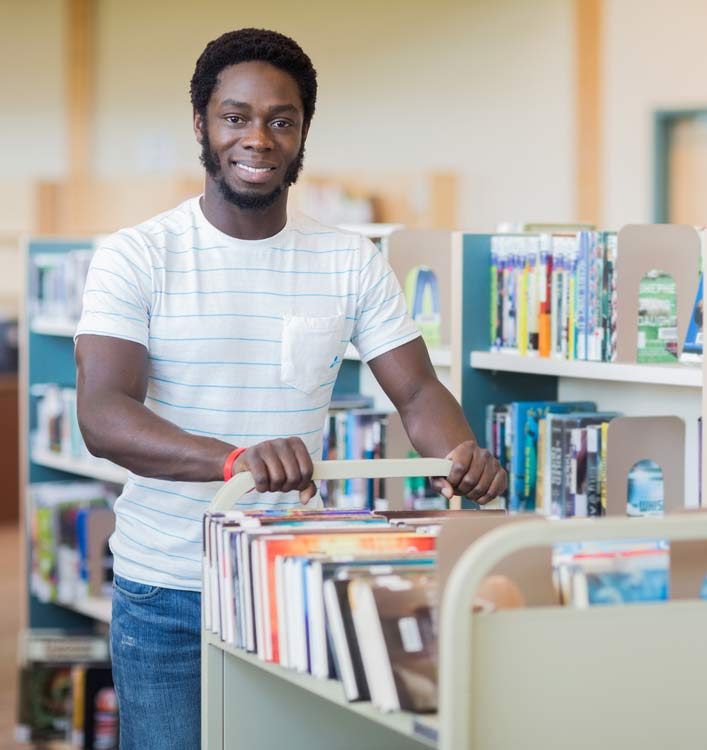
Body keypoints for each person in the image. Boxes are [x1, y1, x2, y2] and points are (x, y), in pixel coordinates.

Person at [74, 28, 506, 750]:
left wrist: (461, 454)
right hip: (167, 591)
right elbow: (102, 414)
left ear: (303, 132)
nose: (259, 139)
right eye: (236, 117)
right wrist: (234, 460)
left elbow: (418, 391)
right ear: (202, 128)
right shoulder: (137, 254)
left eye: (282, 120)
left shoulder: (349, 260)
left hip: (297, 581)